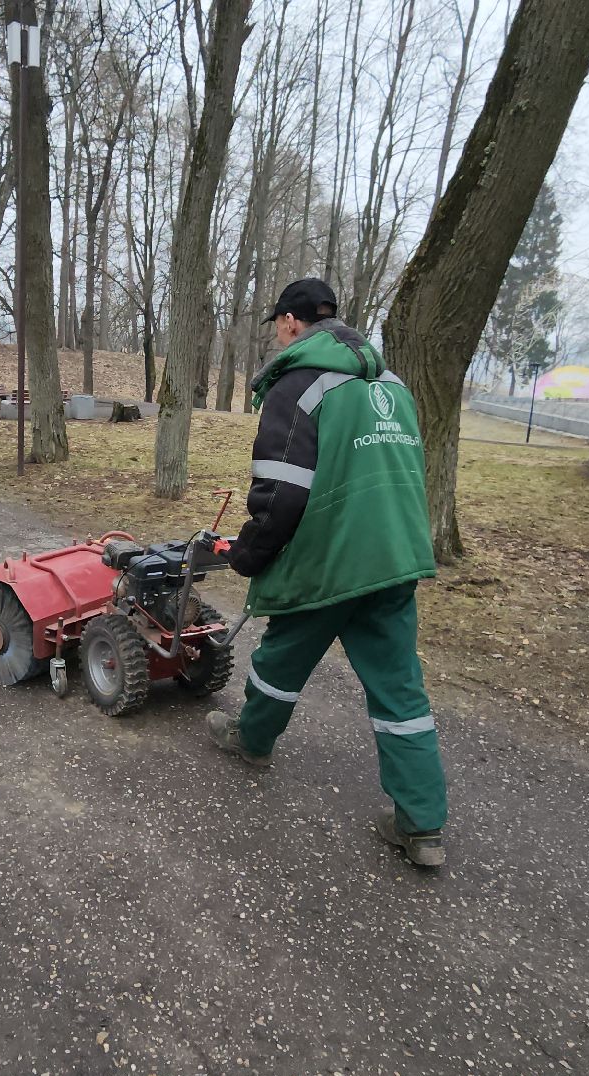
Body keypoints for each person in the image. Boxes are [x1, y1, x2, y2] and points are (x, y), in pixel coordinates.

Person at [206, 278, 450, 867]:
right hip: (394, 559)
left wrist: (247, 555)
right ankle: (422, 827)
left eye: (277, 325)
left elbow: (281, 498)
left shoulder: (299, 387)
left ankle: (253, 740)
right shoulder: (392, 385)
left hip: (327, 563)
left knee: (280, 659)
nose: (277, 334)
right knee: (399, 688)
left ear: (290, 324)